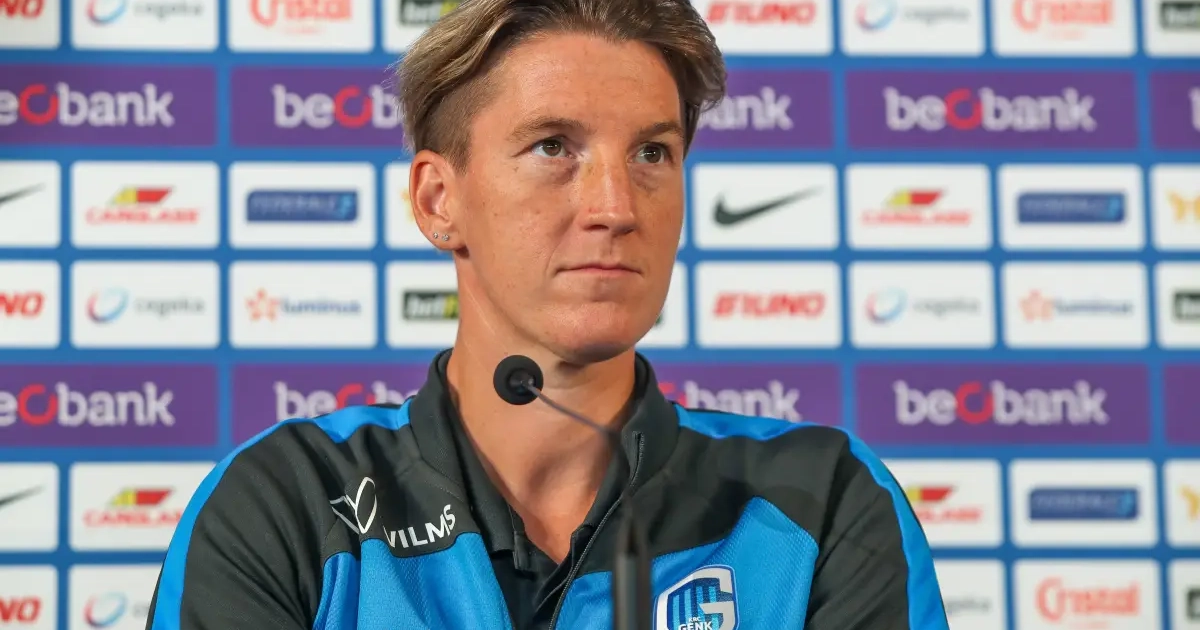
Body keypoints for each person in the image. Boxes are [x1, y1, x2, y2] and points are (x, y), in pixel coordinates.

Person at [144, 0, 949, 626]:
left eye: (652, 153)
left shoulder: (821, 500)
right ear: (438, 200)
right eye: (553, 147)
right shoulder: (285, 504)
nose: (615, 207)